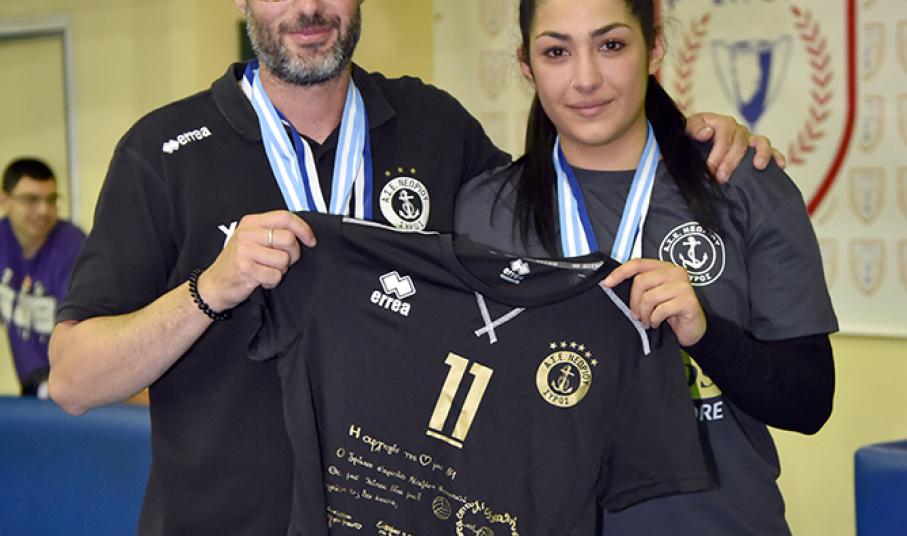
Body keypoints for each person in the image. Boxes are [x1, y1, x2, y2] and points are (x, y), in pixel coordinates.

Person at [48, 0, 779, 533]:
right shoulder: (163, 151)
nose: (309, 9)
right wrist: (210, 289)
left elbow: (558, 214)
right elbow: (75, 381)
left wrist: (686, 138)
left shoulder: (433, 125)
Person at [455, 0, 837, 534]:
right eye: (557, 52)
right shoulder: (482, 212)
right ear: (526, 65)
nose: (586, 78)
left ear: (655, 47)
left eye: (611, 45)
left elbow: (809, 402)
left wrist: (705, 335)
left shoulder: (740, 184)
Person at [0, 158, 85, 397]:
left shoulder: (73, 248)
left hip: (76, 386)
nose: (43, 210)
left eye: (51, 200)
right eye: (31, 200)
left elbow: (80, 334)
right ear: (4, 200)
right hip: (33, 385)